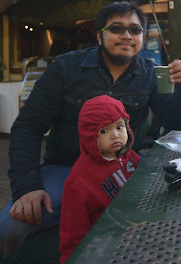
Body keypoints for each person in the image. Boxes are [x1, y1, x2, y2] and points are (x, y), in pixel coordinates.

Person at [0, 1, 181, 261]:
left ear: (142, 38)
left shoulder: (150, 73)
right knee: (11, 228)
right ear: (100, 35)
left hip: (124, 169)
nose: (126, 35)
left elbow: (173, 125)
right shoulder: (65, 68)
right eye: (117, 28)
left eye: (135, 30)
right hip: (66, 170)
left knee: (173, 216)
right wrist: (27, 187)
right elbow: (28, 127)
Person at [59, 95, 140, 263]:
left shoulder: (128, 155)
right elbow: (73, 236)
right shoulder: (78, 183)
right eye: (104, 130)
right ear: (89, 135)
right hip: (105, 243)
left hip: (135, 229)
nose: (115, 135)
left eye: (119, 126)